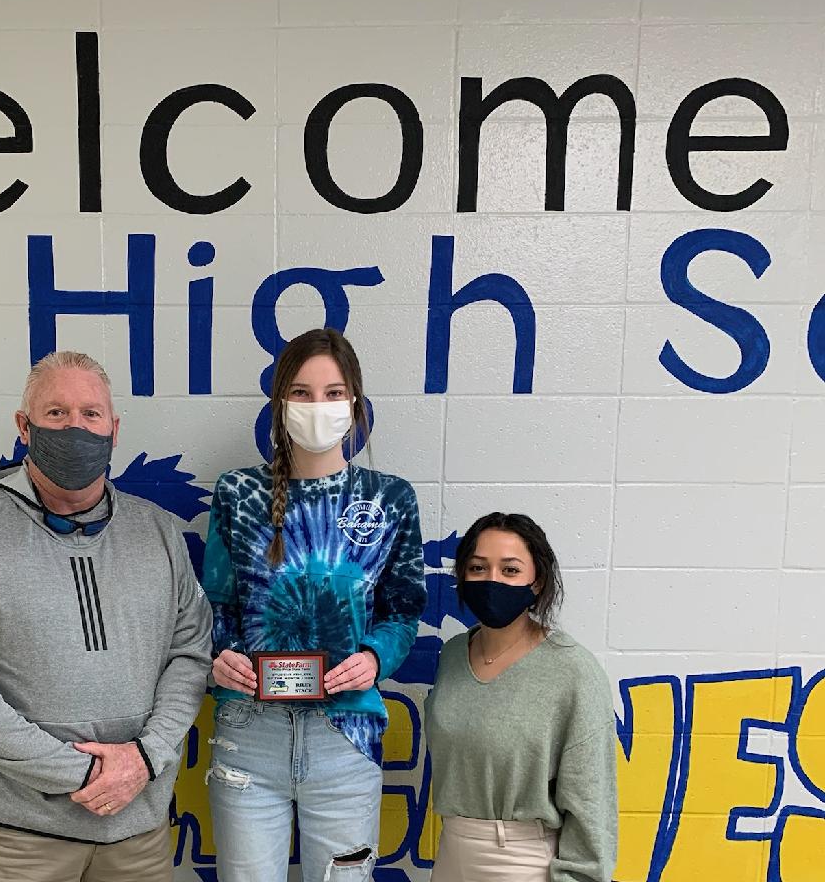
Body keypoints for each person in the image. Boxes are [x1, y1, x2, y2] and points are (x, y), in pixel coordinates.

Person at [0, 350, 212, 882]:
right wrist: (83, 773)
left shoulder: (159, 533)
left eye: (91, 414)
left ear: (114, 429)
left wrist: (143, 758)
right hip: (16, 836)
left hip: (137, 828)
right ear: (24, 426)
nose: (76, 427)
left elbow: (190, 652)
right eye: (56, 413)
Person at [202, 327, 428, 882]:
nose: (317, 406)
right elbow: (213, 607)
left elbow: (402, 612)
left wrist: (374, 658)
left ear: (355, 402)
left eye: (333, 392)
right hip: (248, 732)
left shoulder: (391, 499)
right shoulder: (238, 493)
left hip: (345, 736)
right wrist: (220, 655)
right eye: (301, 393)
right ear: (280, 403)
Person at [425, 513, 617, 882]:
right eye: (478, 568)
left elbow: (591, 800)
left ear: (537, 580)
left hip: (522, 862)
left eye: (510, 570)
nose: (491, 580)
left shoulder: (572, 670)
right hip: (450, 853)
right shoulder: (452, 655)